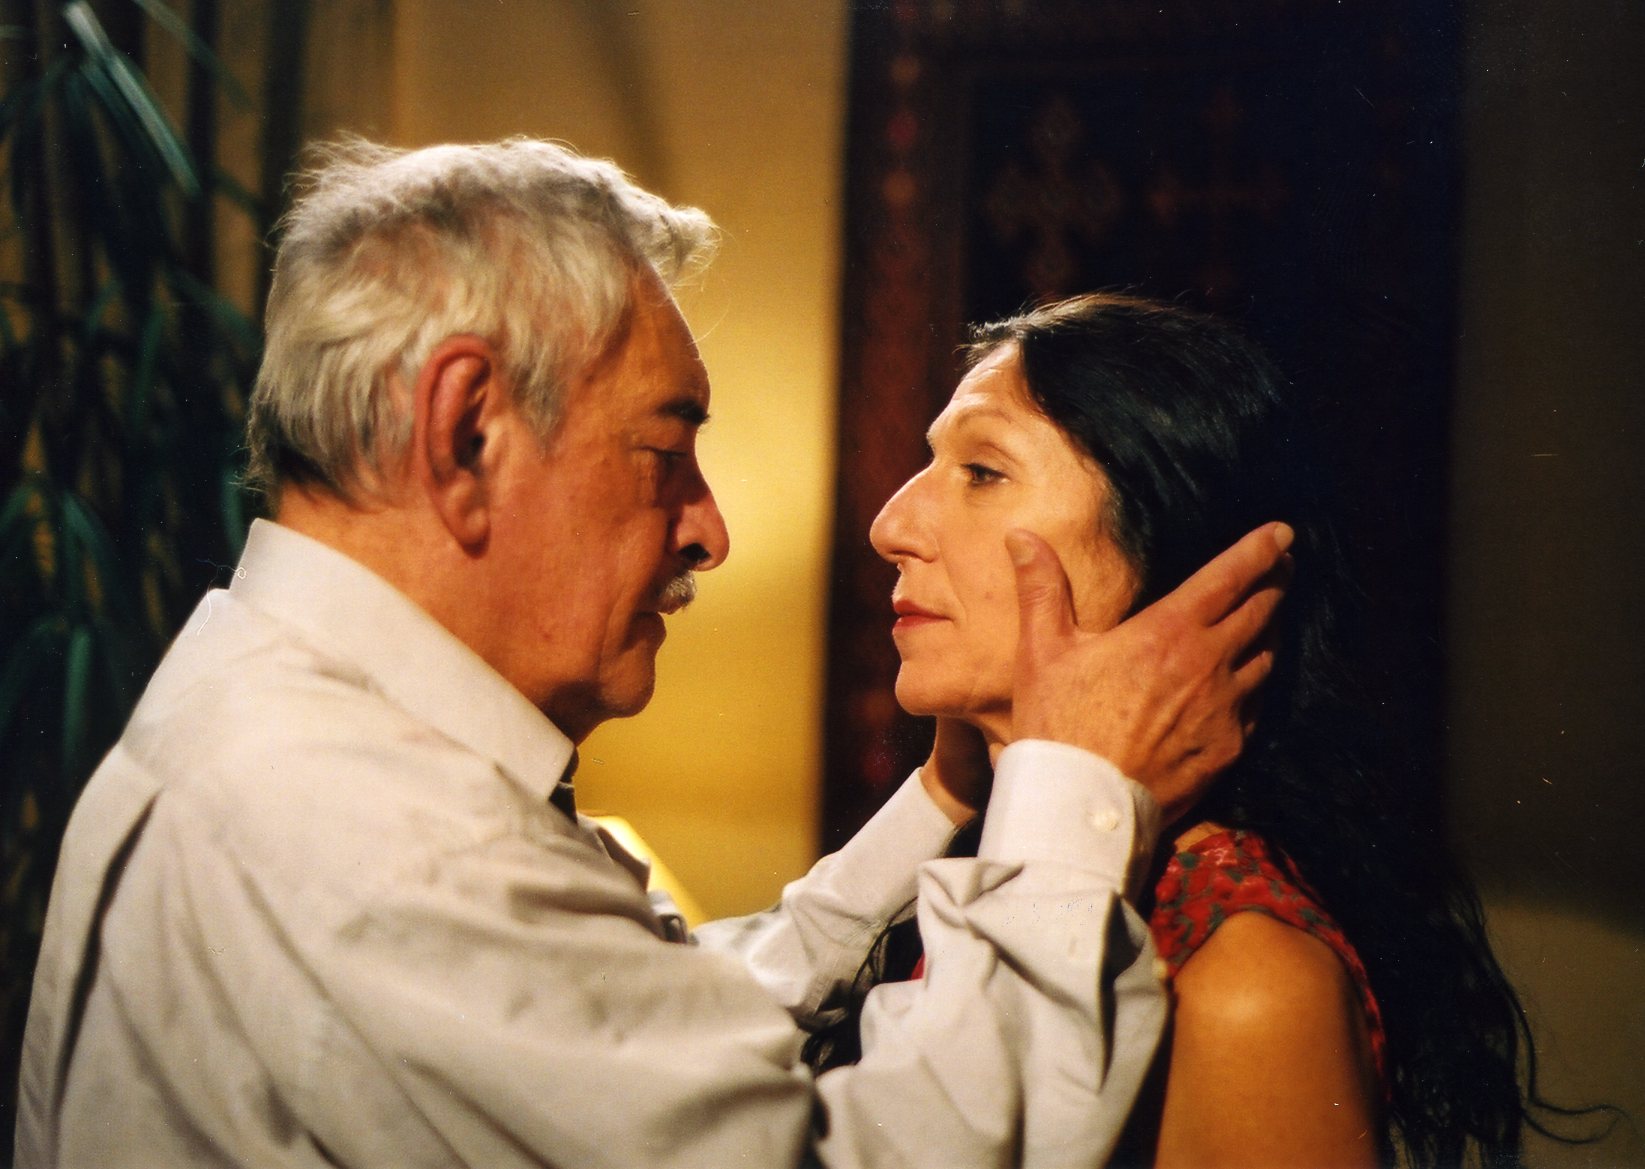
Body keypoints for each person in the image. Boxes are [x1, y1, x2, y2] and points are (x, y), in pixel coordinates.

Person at [15, 141, 1291, 1168]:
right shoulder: (361, 828)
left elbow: (625, 1048)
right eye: (662, 449)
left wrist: (951, 795)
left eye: (982, 472)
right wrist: (1073, 799)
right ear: (465, 432)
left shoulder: (278, 717)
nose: (709, 528)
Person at [825, 292, 1568, 1166]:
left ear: (1169, 555)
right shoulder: (988, 866)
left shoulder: (1243, 979)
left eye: (982, 472)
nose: (890, 525)